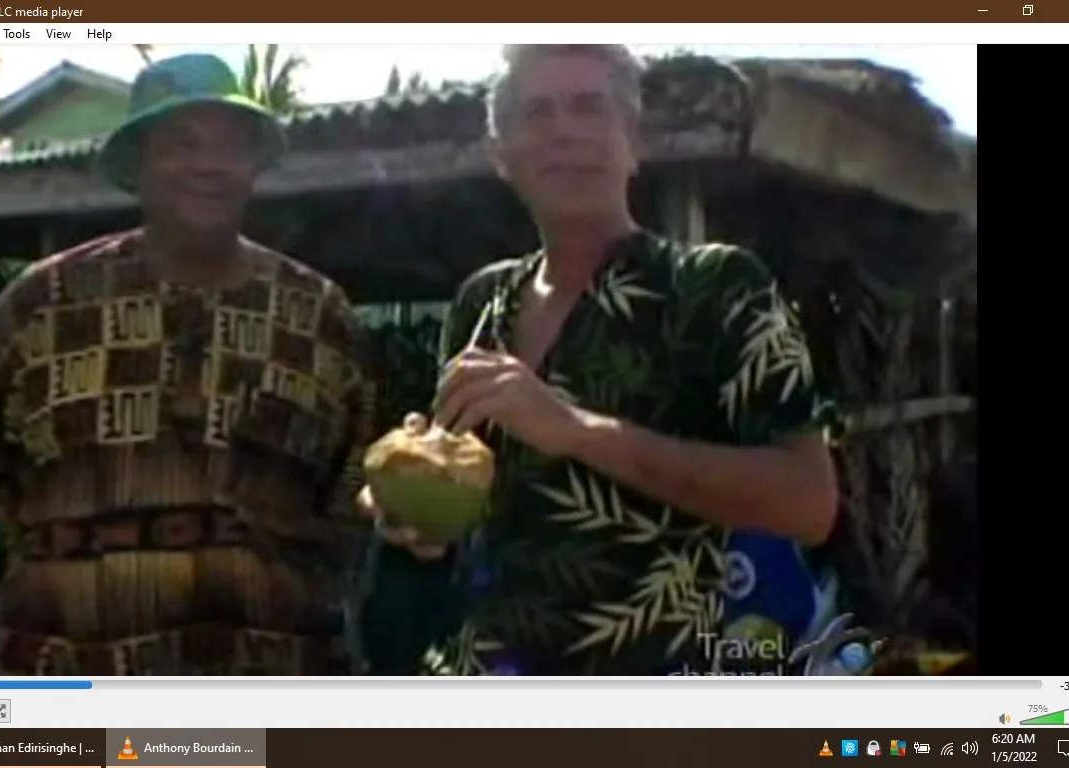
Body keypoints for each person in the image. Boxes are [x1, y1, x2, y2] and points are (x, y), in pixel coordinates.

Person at [356, 45, 838, 675]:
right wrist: (411, 512)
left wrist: (579, 432)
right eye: (537, 112)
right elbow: (472, 509)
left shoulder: (715, 287)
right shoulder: (481, 303)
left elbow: (808, 505)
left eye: (589, 107)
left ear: (631, 141)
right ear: (503, 156)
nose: (564, 131)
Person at [0, 53, 372, 675]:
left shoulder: (318, 314)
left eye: (232, 146)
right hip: (73, 675)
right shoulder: (42, 305)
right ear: (138, 165)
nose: (208, 164)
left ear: (254, 166)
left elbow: (350, 492)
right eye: (182, 143)